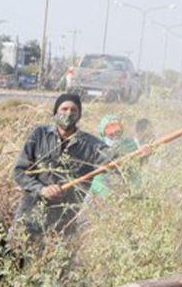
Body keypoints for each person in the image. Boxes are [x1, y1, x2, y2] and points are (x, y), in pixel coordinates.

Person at [10, 92, 114, 245]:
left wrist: (142, 154)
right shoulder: (39, 135)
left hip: (63, 220)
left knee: (56, 264)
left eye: (74, 110)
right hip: (30, 213)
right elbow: (19, 173)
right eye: (64, 109)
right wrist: (41, 189)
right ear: (55, 112)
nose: (68, 113)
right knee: (13, 256)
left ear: (79, 115)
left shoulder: (91, 145)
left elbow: (117, 161)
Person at [89, 113, 140, 198]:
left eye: (117, 129)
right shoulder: (98, 148)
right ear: (103, 132)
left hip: (128, 183)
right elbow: (97, 179)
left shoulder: (130, 144)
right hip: (104, 188)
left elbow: (136, 168)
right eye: (109, 129)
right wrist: (108, 195)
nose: (114, 132)